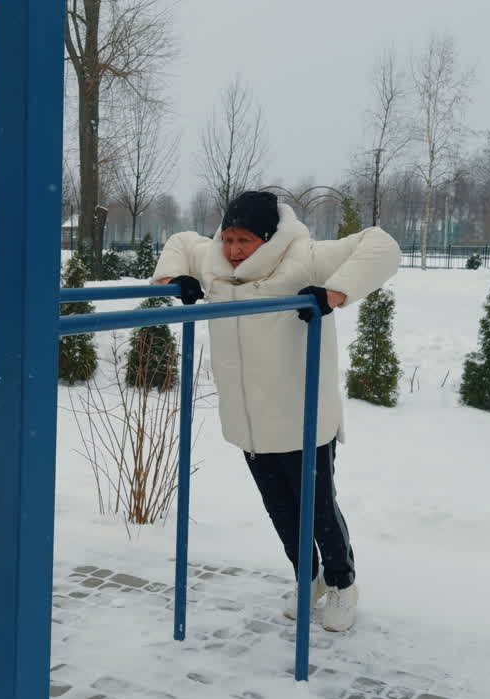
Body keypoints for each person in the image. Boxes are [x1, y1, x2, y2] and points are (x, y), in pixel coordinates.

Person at [153, 190, 400, 632]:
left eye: (243, 240)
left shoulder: (305, 257)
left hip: (302, 418)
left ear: (267, 238)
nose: (232, 250)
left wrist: (334, 293)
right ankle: (308, 580)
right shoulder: (211, 261)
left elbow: (381, 244)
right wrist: (176, 277)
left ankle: (342, 584)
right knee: (281, 512)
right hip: (249, 421)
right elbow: (177, 243)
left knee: (319, 510)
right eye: (227, 238)